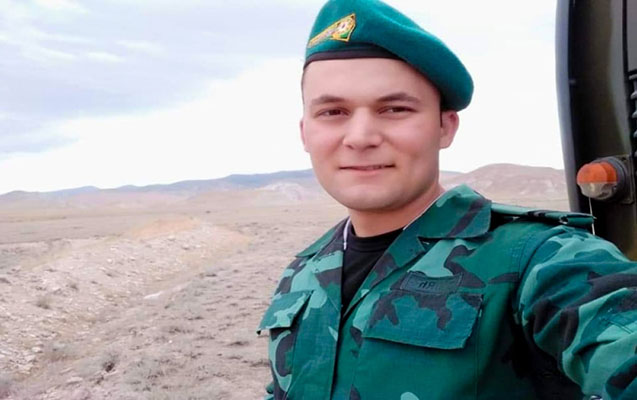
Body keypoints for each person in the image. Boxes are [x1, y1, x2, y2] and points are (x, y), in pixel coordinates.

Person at [257, 0, 637, 399]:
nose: (361, 137)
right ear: (305, 132)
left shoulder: (537, 259)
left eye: (394, 109)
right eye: (334, 112)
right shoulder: (303, 272)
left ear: (444, 127)